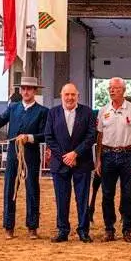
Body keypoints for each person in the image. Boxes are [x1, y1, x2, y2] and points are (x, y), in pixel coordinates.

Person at [0, 76, 49, 240]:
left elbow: (45, 135)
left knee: (32, 189)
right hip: (13, 154)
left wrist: (29, 137)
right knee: (9, 189)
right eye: (23, 88)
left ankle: (32, 227)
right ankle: (8, 226)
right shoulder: (13, 108)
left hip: (31, 155)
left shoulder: (43, 111)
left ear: (34, 91)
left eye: (29, 89)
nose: (25, 91)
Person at [44, 83, 97, 243]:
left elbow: (91, 136)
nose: (70, 97)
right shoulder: (53, 113)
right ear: (61, 95)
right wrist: (64, 157)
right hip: (60, 164)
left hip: (82, 162)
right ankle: (62, 230)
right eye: (66, 94)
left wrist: (75, 154)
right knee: (61, 198)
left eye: (73, 94)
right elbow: (49, 136)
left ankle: (83, 230)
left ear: (78, 96)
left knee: (82, 198)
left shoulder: (87, 112)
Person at [95, 77, 131, 243]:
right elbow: (99, 136)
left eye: (115, 88)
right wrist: (98, 160)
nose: (111, 90)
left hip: (128, 155)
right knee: (107, 193)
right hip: (108, 155)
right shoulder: (103, 110)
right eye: (110, 88)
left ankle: (127, 229)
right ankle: (109, 229)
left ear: (123, 90)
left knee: (128, 193)